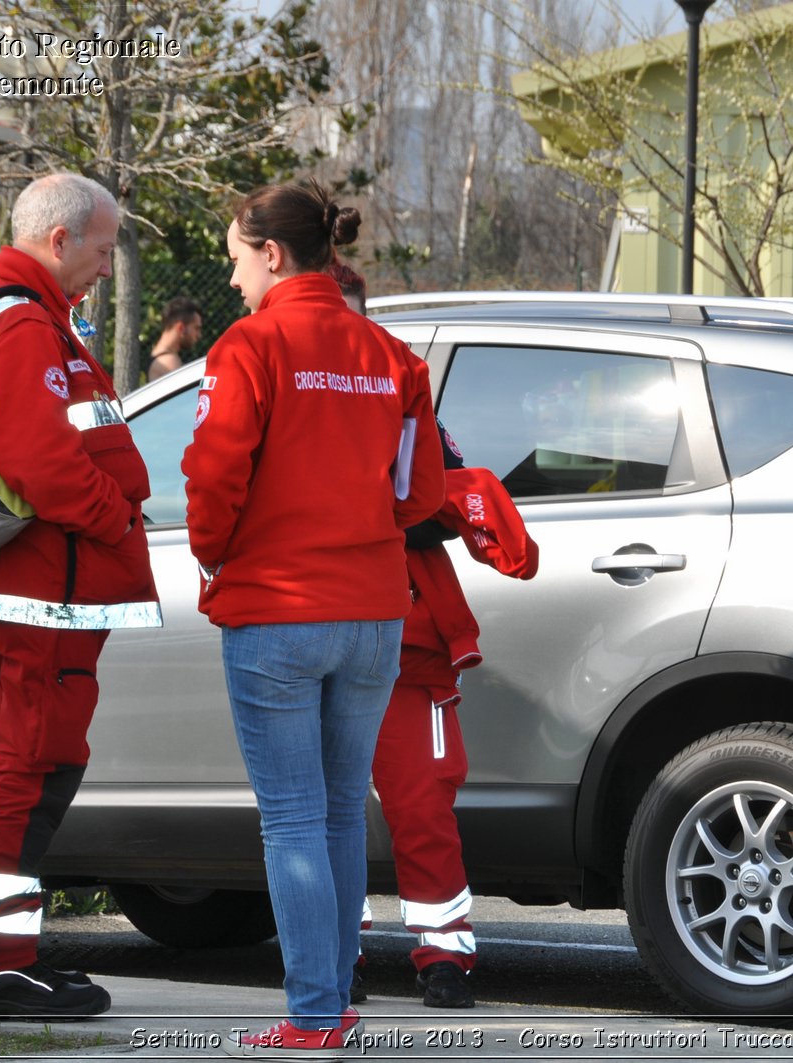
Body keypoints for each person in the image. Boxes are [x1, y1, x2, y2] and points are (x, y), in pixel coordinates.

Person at [182, 179, 445, 1052]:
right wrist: (368, 534)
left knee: (294, 816)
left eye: (234, 262)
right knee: (336, 811)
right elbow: (420, 491)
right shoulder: (389, 353)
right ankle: (330, 1006)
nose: (231, 282)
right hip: (373, 611)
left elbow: (215, 475)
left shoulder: (249, 346)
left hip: (277, 610)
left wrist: (214, 549)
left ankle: (314, 1015)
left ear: (270, 253)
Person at [0, 172, 161, 1020]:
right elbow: (41, 459)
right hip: (48, 586)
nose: (109, 264)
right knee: (31, 763)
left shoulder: (33, 319)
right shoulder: (26, 324)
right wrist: (115, 522)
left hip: (50, 586)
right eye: (105, 247)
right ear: (61, 239)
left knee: (26, 762)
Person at [328, 261, 540, 1010]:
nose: (337, 334)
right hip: (317, 627)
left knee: (420, 803)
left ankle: (443, 956)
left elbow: (446, 484)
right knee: (324, 808)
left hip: (405, 637)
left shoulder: (401, 380)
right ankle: (333, 955)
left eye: (347, 317)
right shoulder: (270, 376)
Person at [146, 296, 203, 380]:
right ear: (181, 328)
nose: (199, 335)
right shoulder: (169, 361)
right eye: (196, 328)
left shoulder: (158, 357)